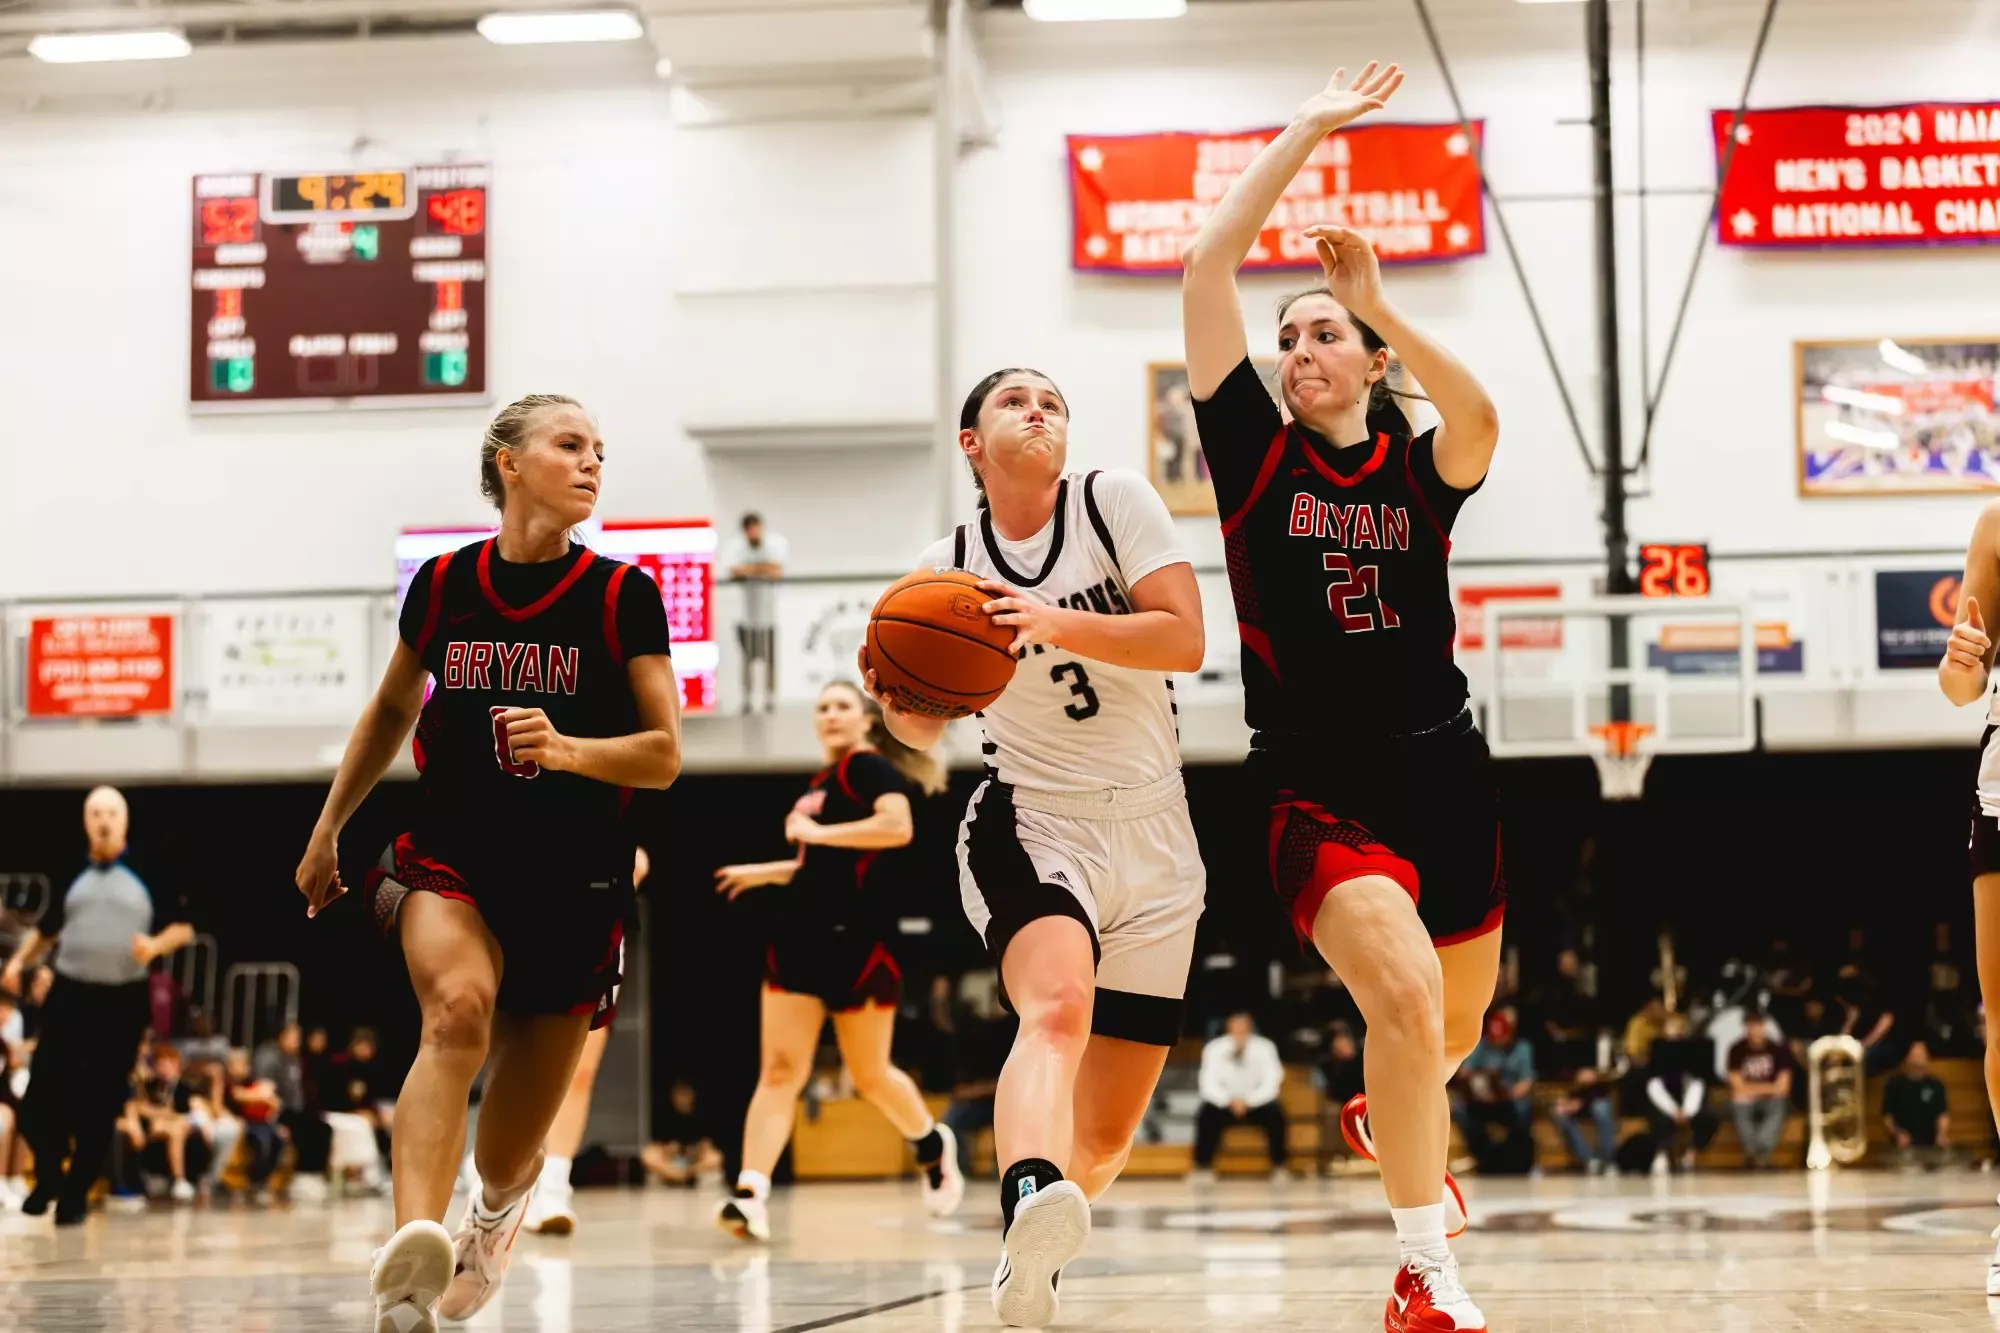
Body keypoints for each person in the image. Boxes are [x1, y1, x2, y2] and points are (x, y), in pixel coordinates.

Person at [1182, 59, 1502, 1333]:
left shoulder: (1418, 472)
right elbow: (1205, 270)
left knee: (1446, 1033)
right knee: (1405, 1002)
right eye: (1289, 338)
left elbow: (1480, 418)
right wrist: (1304, 129)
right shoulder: (1253, 458)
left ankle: (1389, 1107)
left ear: (1370, 361)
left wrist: (1380, 303)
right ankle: (1421, 1270)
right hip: (1312, 778)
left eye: (1322, 335)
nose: (1297, 351)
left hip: (1443, 767)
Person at [293, 393, 682, 1333]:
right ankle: (407, 1269)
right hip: (453, 853)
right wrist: (328, 825)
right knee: (455, 1011)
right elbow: (392, 709)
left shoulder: (621, 594)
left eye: (600, 449)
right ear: (509, 462)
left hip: (576, 881)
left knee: (509, 1153)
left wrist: (569, 749)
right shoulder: (442, 583)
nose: (592, 462)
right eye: (570, 444)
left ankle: (496, 1213)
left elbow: (664, 753)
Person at [865, 364, 1207, 1328]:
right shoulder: (945, 565)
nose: (1038, 411)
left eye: (1051, 401)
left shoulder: (1113, 503)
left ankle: (1033, 1247)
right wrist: (894, 691)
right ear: (971, 443)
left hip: (1159, 834)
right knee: (1057, 1007)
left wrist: (1050, 621)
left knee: (1103, 1140)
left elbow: (1185, 640)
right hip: (1035, 820)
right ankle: (1025, 1187)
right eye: (1014, 401)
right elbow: (921, 728)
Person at [711, 680, 959, 1242]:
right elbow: (824, 866)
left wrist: (817, 835)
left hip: (860, 944)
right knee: (779, 1071)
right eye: (822, 706)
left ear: (868, 720)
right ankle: (750, 1194)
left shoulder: (868, 768)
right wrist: (767, 872)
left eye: (842, 706)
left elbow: (897, 827)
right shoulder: (823, 780)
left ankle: (930, 1143)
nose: (830, 714)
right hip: (800, 937)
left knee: (870, 1076)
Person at [1, 787, 192, 1225]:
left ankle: (75, 1195)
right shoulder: (72, 870)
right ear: (86, 822)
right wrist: (16, 962)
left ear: (124, 821)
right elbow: (48, 930)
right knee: (37, 1102)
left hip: (122, 1001)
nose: (103, 821)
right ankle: (48, 1175)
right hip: (69, 995)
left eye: (111, 813)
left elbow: (182, 929)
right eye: (96, 813)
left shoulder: (147, 871)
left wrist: (154, 945)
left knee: (100, 1104)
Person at [507, 842, 652, 1237]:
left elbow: (637, 861)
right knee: (524, 1067)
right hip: (528, 923)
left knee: (579, 1072)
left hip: (595, 930)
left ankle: (555, 1186)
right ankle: (500, 1169)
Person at [1192, 1011, 1289, 1178]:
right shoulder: (1214, 1048)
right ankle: (1203, 1166)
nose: (1240, 1028)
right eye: (1236, 1024)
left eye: (1243, 1024)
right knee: (1205, 1115)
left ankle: (1279, 1165)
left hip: (1257, 1104)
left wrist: (1249, 1101)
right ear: (1228, 1026)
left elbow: (1272, 1080)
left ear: (1250, 1026)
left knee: (1276, 1115)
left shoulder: (1265, 1047)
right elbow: (1207, 1083)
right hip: (1224, 1104)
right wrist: (1229, 1101)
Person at [1449, 1010, 1535, 1176]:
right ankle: (1485, 1158)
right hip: (1485, 1101)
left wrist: (1512, 1093)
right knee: (1460, 1111)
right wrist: (1477, 1086)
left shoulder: (1523, 1048)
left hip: (1510, 1100)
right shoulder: (1483, 1045)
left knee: (1523, 1110)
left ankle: (1517, 1160)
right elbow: (1465, 1072)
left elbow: (1527, 1079)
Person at [725, 511, 790, 714]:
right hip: (746, 617)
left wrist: (749, 570)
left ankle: (770, 697)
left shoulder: (776, 543)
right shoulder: (735, 547)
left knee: (770, 660)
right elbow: (734, 570)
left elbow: (776, 569)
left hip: (769, 616)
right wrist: (763, 569)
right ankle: (747, 697)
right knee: (747, 660)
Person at [1724, 1012, 1792, 1169]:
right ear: (1745, 1028)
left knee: (1779, 1106)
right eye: (1751, 1026)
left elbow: (1783, 1087)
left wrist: (1752, 1089)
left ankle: (1757, 1150)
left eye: (1758, 1025)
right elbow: (1736, 1085)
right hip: (1748, 1097)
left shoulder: (1778, 1049)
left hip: (1771, 1098)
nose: (1755, 1030)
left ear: (1764, 1026)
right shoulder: (1736, 1050)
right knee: (1737, 1103)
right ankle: (1759, 1154)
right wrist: (1769, 1088)